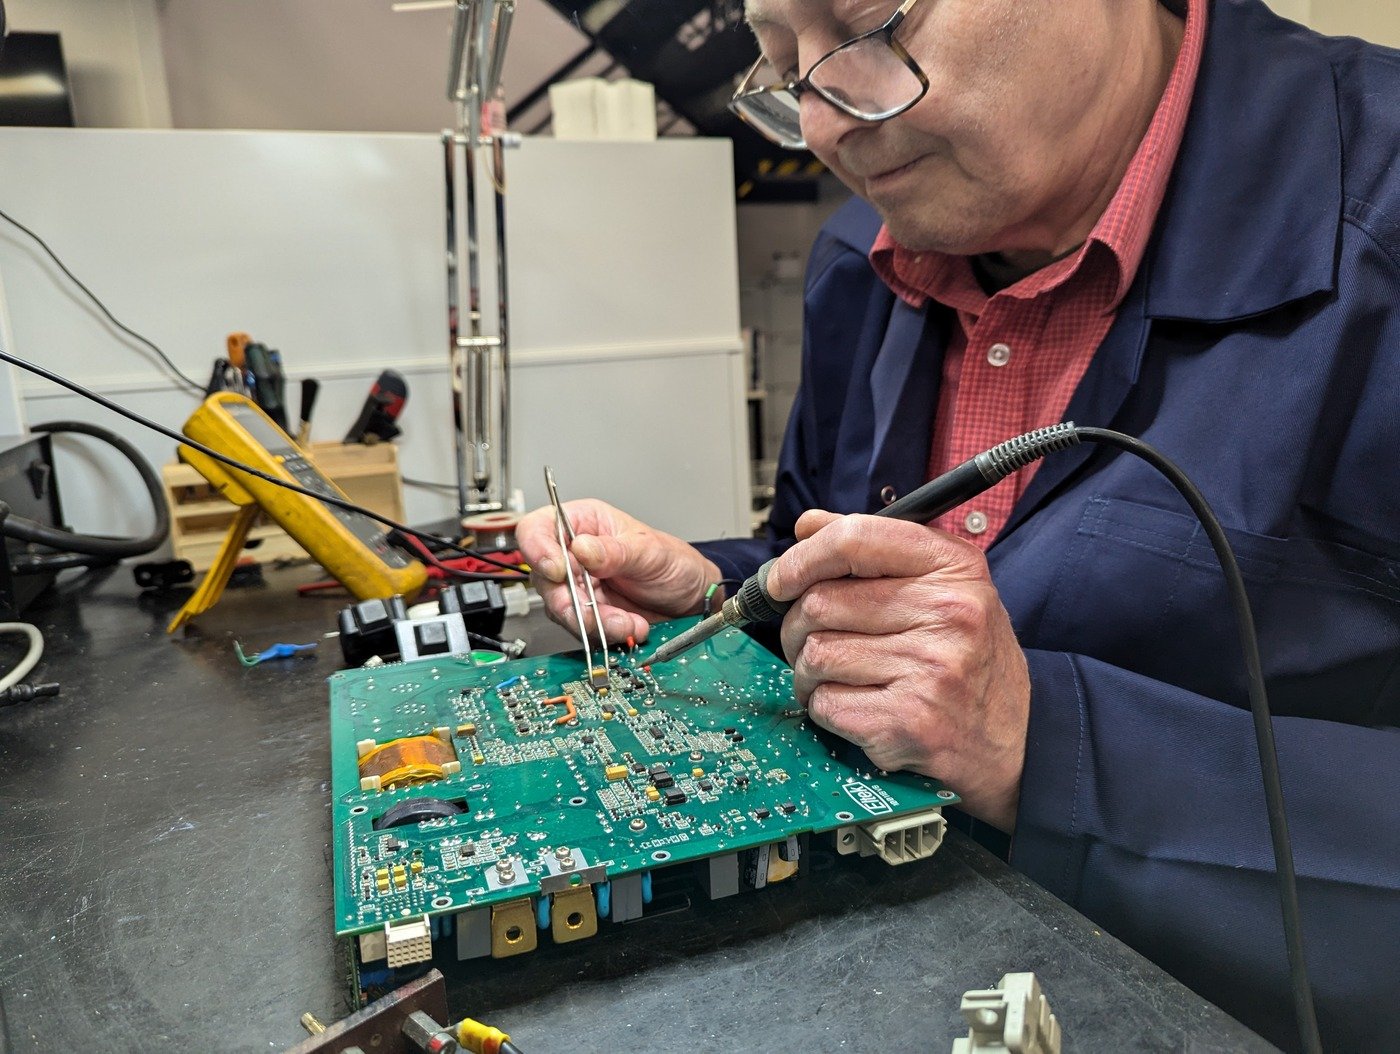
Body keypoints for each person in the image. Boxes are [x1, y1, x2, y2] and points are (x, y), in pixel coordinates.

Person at [516, 0, 1400, 1048]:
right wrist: (720, 598)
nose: (825, 124)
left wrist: (1044, 743)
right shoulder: (866, 255)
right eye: (783, 64)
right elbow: (833, 570)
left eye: (862, 27)